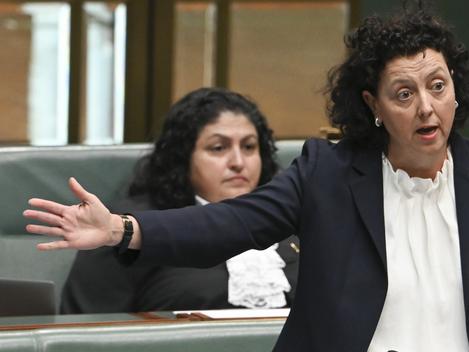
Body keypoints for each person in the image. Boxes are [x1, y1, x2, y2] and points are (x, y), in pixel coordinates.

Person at [24, 3, 469, 352]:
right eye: (405, 94)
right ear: (374, 106)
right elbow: (233, 223)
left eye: (438, 85)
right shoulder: (329, 172)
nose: (428, 108)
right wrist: (124, 229)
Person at [60, 87, 299, 313]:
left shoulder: (293, 221)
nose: (238, 161)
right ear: (183, 157)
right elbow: (86, 330)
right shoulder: (124, 227)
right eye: (218, 148)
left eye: (249, 147)